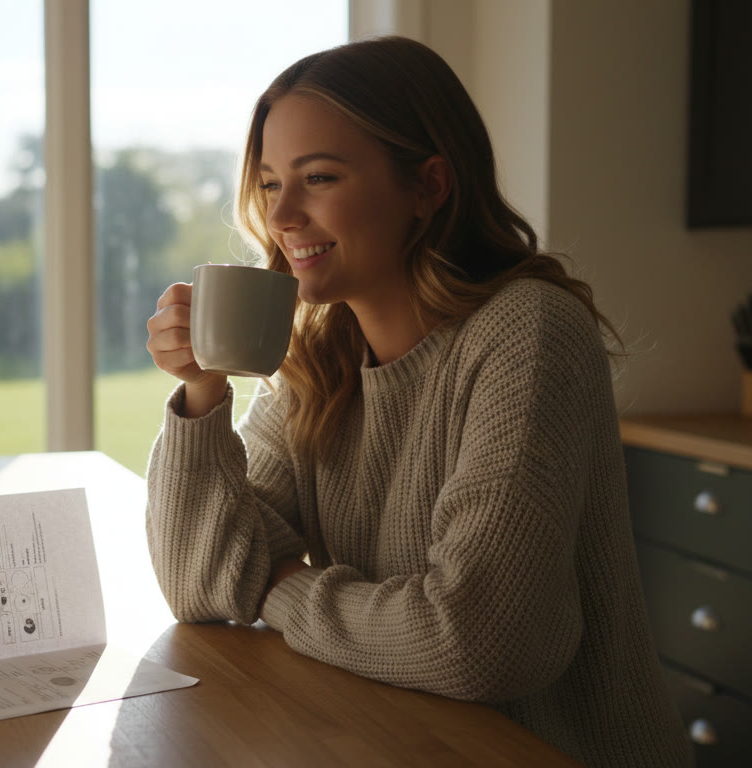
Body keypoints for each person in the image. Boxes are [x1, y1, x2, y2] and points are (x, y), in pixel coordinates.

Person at [143, 36, 690, 767]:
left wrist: (279, 584)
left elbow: (479, 644)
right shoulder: (318, 362)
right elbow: (200, 584)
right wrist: (202, 390)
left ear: (428, 186)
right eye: (272, 184)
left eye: (320, 177)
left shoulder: (527, 334)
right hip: (397, 740)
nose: (283, 216)